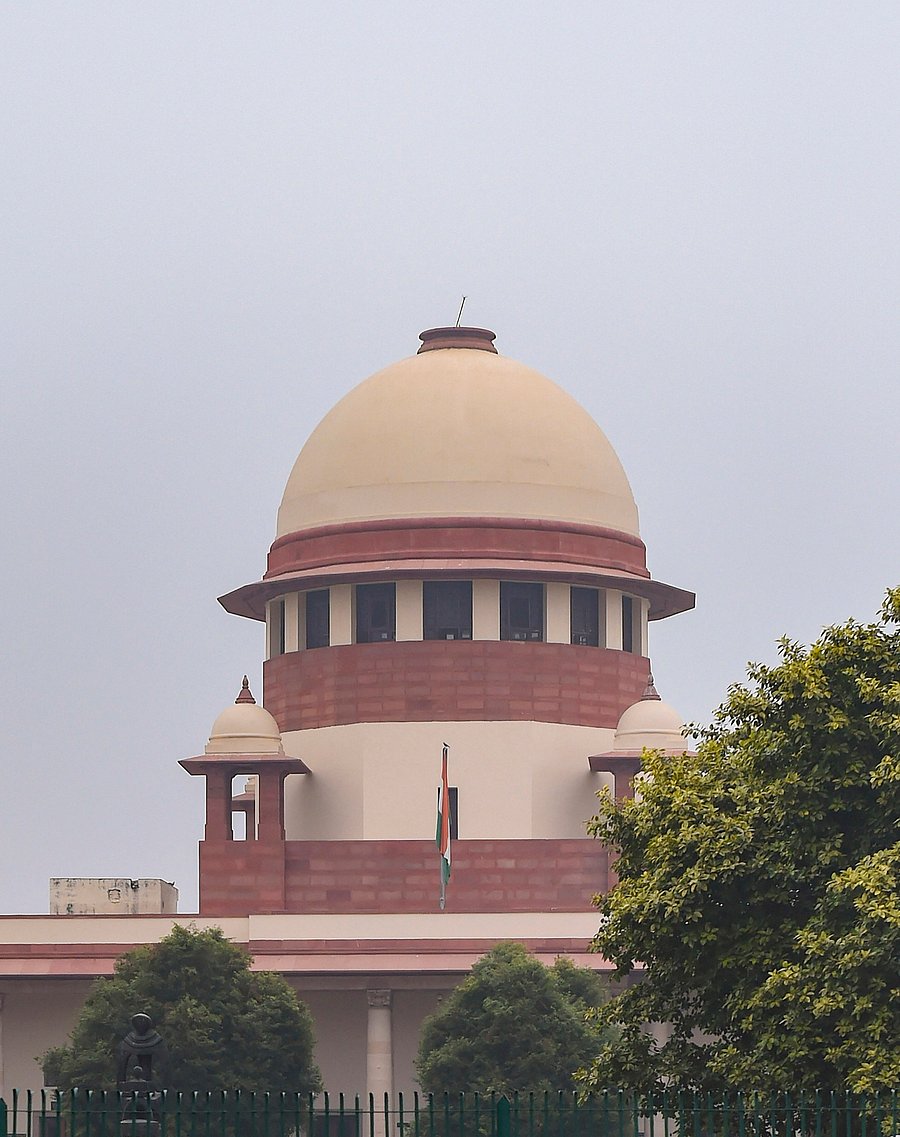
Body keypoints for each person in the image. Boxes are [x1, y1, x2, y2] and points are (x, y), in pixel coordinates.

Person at [116, 1013, 169, 1088]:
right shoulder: (129, 1040)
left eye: (143, 1021)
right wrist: (120, 1085)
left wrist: (164, 1084)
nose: (140, 1024)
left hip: (152, 1082)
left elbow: (165, 1062)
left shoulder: (156, 1039)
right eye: (138, 1022)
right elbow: (122, 1063)